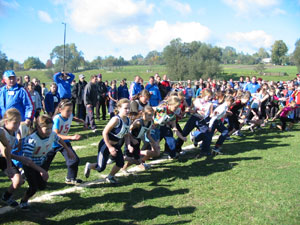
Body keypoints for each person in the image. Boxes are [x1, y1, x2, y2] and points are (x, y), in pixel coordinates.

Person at [20, 115, 75, 210]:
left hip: (41, 162)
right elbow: (27, 161)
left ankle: (28, 176)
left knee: (42, 186)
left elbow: (59, 139)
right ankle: (23, 201)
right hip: (30, 165)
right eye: (47, 128)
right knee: (33, 187)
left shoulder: (52, 134)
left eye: (51, 128)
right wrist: (41, 170)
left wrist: (68, 149)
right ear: (38, 128)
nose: (49, 131)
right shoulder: (31, 140)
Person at [84, 98, 131, 184]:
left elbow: (127, 134)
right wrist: (109, 147)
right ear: (119, 108)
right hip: (106, 144)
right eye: (125, 108)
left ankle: (110, 176)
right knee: (100, 168)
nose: (128, 110)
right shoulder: (116, 119)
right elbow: (104, 132)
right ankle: (90, 165)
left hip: (116, 145)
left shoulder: (128, 120)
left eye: (129, 108)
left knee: (120, 163)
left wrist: (128, 145)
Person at [43, 100, 86, 185]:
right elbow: (56, 135)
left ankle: (70, 178)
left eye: (71, 110)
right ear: (60, 110)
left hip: (64, 142)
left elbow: (72, 117)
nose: (70, 113)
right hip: (52, 144)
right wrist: (71, 137)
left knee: (74, 160)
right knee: (44, 164)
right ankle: (38, 180)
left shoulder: (69, 115)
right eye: (67, 111)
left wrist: (82, 121)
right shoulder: (57, 119)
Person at [122, 106, 154, 173]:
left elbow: (148, 134)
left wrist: (153, 142)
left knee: (136, 156)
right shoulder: (138, 122)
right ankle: (117, 159)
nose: (151, 117)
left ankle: (124, 168)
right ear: (143, 114)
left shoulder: (150, 122)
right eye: (149, 115)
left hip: (137, 140)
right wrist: (132, 140)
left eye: (152, 115)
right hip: (130, 140)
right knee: (130, 157)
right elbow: (127, 131)